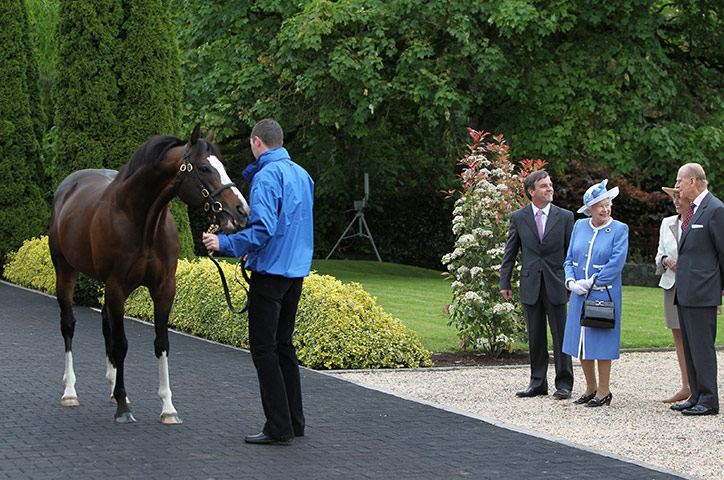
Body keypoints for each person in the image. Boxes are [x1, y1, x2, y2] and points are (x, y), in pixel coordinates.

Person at [202, 119, 314, 442]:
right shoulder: (303, 176)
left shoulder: (266, 177)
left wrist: (224, 244)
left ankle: (278, 428)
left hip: (271, 276)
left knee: (263, 349)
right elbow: (291, 227)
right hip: (295, 273)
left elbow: (263, 228)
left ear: (256, 142)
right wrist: (254, 252)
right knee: (284, 346)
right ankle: (294, 422)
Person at [500, 170, 575, 399]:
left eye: (550, 184)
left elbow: (572, 253)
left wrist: (572, 282)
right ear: (531, 191)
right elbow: (510, 252)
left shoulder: (565, 217)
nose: (550, 188)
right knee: (535, 335)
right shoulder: (519, 217)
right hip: (530, 283)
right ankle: (537, 382)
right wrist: (505, 281)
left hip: (557, 283)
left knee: (561, 335)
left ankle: (564, 383)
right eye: (544, 185)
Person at [562, 179, 628, 407]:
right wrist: (571, 281)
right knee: (580, 343)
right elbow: (569, 258)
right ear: (589, 209)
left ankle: (604, 391)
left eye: (607, 204)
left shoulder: (619, 229)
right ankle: (590, 387)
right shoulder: (580, 226)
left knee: (601, 343)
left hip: (603, 295)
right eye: (599, 205)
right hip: (580, 294)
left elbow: (615, 263)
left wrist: (592, 282)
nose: (605, 209)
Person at [670, 163, 723, 416]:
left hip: (703, 291)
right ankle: (696, 394)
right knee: (690, 346)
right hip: (687, 290)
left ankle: (709, 400)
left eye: (680, 181)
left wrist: (719, 291)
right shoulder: (692, 210)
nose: (677, 187)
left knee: (702, 347)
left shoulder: (715, 209)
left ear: (693, 181)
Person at [654, 186, 690, 403]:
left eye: (679, 196)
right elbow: (660, 253)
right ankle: (686, 385)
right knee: (677, 335)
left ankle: (700, 386)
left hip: (694, 284)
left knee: (695, 336)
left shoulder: (698, 221)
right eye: (674, 197)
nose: (676, 201)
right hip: (671, 284)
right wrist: (666, 260)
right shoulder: (667, 223)